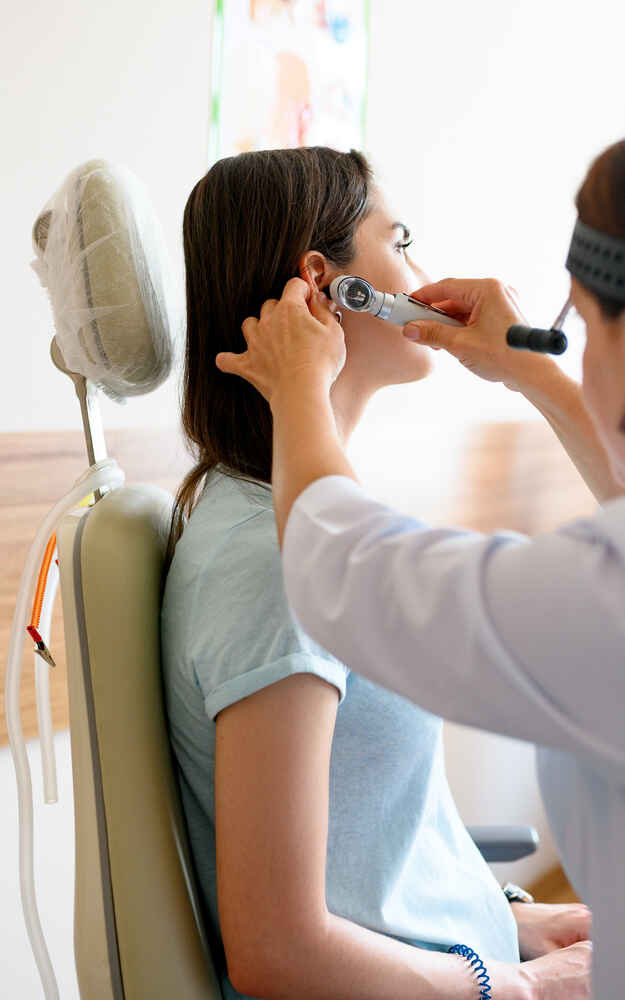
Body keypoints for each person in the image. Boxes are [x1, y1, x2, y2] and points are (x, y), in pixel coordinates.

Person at [161, 146, 590, 1000]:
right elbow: (278, 950)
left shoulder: (291, 527)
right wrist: (527, 988)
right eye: (401, 241)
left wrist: (497, 913)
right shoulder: (277, 564)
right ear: (325, 285)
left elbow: (366, 844)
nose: (424, 274)